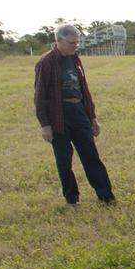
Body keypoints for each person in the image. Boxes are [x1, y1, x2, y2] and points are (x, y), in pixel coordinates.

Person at [33, 25, 115, 206]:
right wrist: (45, 125)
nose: (75, 46)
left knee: (91, 156)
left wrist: (92, 117)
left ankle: (106, 196)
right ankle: (72, 199)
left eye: (77, 42)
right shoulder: (46, 62)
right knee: (64, 161)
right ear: (59, 41)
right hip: (59, 117)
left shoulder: (75, 59)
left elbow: (84, 90)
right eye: (72, 42)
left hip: (79, 113)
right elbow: (39, 97)